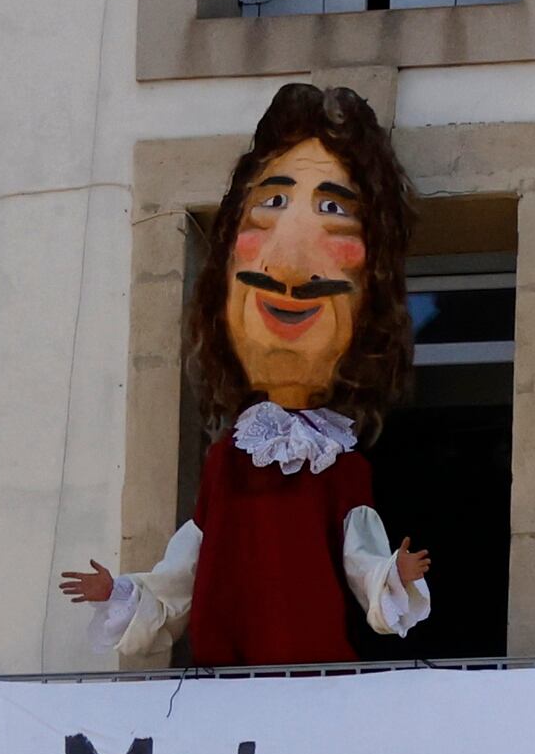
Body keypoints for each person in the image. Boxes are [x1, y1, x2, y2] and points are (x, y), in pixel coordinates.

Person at [64, 84, 434, 664]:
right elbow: (182, 573)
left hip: (310, 680)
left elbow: (360, 559)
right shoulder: (225, 463)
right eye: (274, 203)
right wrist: (118, 592)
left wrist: (396, 577)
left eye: (333, 210)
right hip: (226, 682)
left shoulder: (343, 469)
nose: (288, 267)